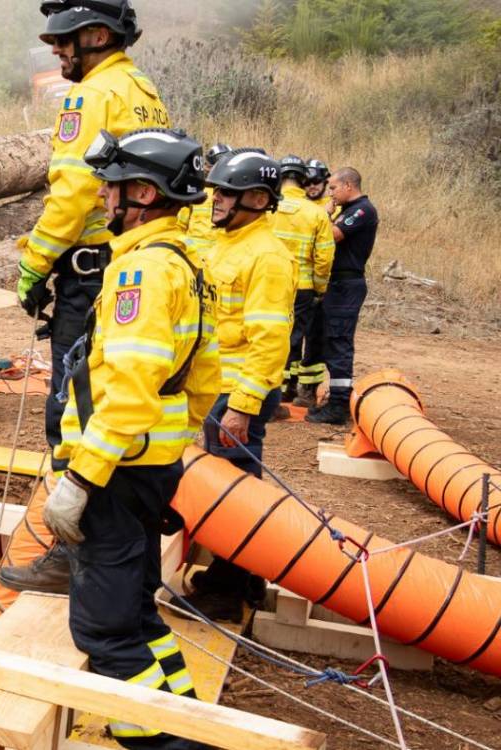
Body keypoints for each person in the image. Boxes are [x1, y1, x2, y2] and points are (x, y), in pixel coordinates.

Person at [37, 128, 217, 749]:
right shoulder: (185, 264)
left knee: (105, 631)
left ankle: (159, 742)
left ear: (143, 193)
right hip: (148, 467)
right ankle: (182, 719)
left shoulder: (142, 269)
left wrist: (81, 479)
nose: (101, 197)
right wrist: (168, 447)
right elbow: (205, 378)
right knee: (138, 611)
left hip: (113, 475)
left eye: (111, 187)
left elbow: (132, 386)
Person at [18, 0, 167, 467]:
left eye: (64, 40)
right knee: (120, 385)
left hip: (90, 275)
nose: (57, 51)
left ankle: (68, 490)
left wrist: (34, 264)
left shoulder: (89, 96)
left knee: (74, 393)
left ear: (98, 36)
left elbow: (75, 192)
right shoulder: (143, 90)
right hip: (136, 258)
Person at [184, 148, 295, 622]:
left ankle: (226, 591)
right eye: (217, 192)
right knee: (235, 488)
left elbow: (270, 341)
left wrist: (243, 406)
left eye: (227, 194)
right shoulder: (226, 242)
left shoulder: (267, 257)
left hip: (237, 393)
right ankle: (245, 575)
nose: (217, 201)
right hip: (219, 388)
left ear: (258, 199)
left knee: (234, 496)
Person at [307, 167, 377, 425]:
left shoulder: (362, 210)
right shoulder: (348, 210)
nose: (331, 194)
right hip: (336, 284)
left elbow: (332, 235)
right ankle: (333, 398)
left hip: (346, 284)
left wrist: (324, 215)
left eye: (334, 188)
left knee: (339, 341)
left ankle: (338, 405)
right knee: (327, 340)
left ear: (349, 185)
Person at [272, 155, 334, 412]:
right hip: (303, 288)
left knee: (270, 335)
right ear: (304, 180)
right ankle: (286, 392)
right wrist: (320, 288)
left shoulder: (268, 207)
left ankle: (273, 393)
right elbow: (324, 258)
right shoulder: (316, 213)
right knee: (294, 338)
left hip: (270, 283)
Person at [179, 142, 229, 265]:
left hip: (221, 262)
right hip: (194, 261)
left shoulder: (234, 195)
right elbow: (180, 227)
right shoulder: (194, 192)